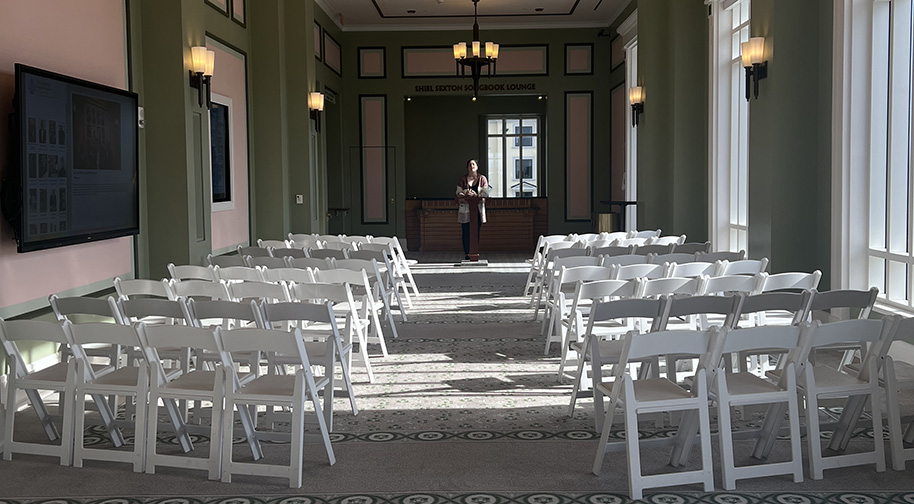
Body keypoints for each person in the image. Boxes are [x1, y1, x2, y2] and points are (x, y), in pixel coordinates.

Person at [456, 159, 489, 260]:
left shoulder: (482, 179)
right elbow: (458, 193)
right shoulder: (463, 179)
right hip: (465, 209)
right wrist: (465, 193)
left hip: (477, 210)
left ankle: (474, 252)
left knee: (476, 231)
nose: (472, 166)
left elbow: (486, 193)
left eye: (473, 164)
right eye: (470, 165)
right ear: (467, 167)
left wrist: (476, 195)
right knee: (466, 231)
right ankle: (467, 253)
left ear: (477, 167)